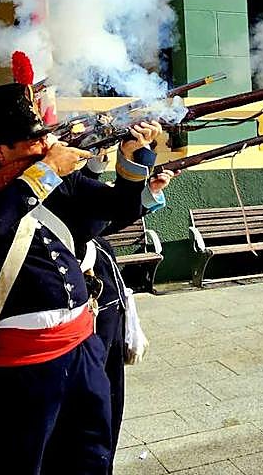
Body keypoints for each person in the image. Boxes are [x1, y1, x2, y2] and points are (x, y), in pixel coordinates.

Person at [0, 61, 174, 473]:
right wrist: (45, 172)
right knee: (20, 462)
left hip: (83, 344)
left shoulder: (51, 176)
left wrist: (135, 160)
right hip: (21, 362)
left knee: (89, 454)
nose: (44, 146)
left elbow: (119, 208)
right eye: (32, 141)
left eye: (43, 138)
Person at [79, 150, 173, 467]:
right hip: (82, 314)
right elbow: (91, 213)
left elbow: (107, 213)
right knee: (90, 409)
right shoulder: (43, 186)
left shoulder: (65, 184)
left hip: (109, 309)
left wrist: (148, 188)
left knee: (109, 400)